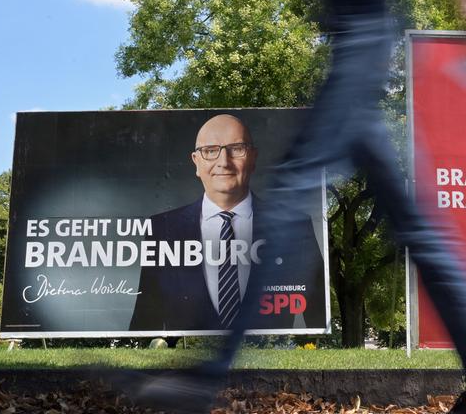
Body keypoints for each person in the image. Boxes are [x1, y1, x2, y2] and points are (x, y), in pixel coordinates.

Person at [130, 0, 466, 413]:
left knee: (286, 200)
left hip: (361, 33)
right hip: (359, 35)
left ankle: (206, 377)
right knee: (419, 230)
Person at [128, 114, 325, 332]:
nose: (223, 162)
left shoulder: (294, 226)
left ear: (253, 157)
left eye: (236, 148)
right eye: (210, 151)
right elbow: (144, 324)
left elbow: (317, 316)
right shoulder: (161, 228)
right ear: (196, 161)